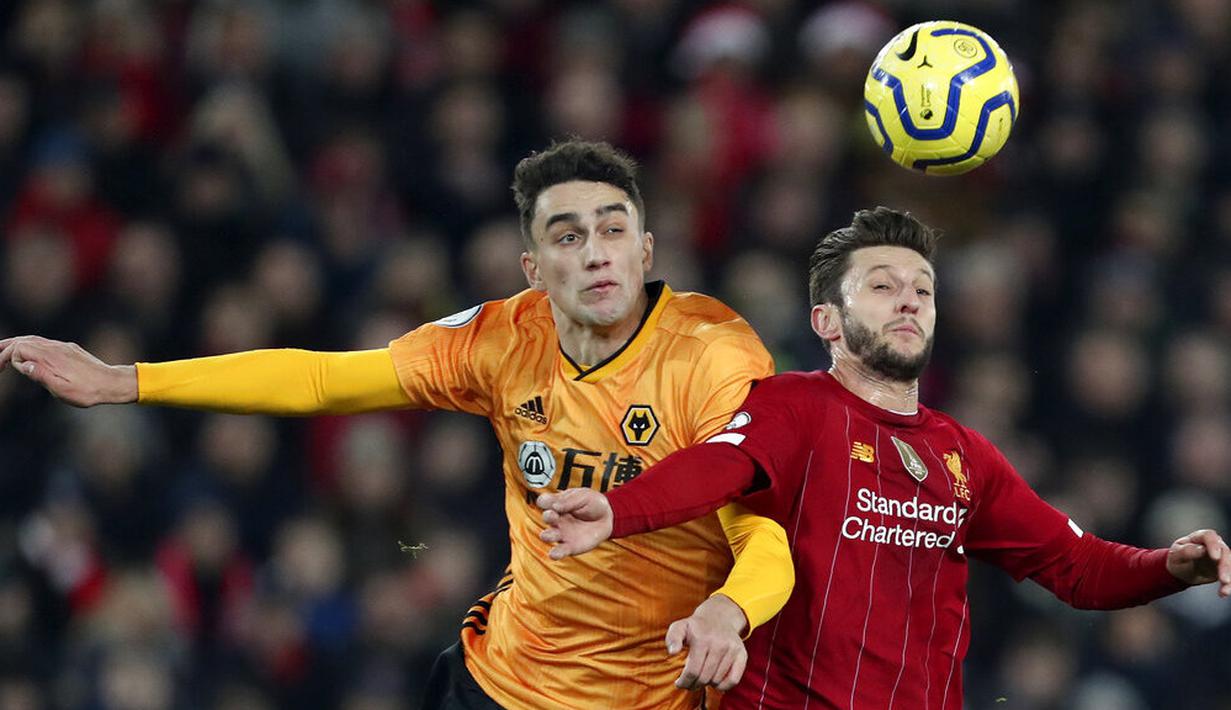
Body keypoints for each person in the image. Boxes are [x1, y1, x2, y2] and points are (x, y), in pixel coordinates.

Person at [0, 141, 795, 709]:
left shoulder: (712, 354)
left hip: (647, 695)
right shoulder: (498, 338)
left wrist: (730, 610)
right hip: (495, 684)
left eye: (614, 230)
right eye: (567, 236)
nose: (595, 254)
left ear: (647, 249)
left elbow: (759, 528)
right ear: (533, 270)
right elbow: (324, 379)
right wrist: (124, 381)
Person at [537, 206, 1231, 708]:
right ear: (826, 322)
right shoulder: (794, 407)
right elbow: (715, 467)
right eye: (881, 285)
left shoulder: (965, 456)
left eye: (922, 290)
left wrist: (1169, 567)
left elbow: (1076, 567)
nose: (908, 301)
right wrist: (617, 509)